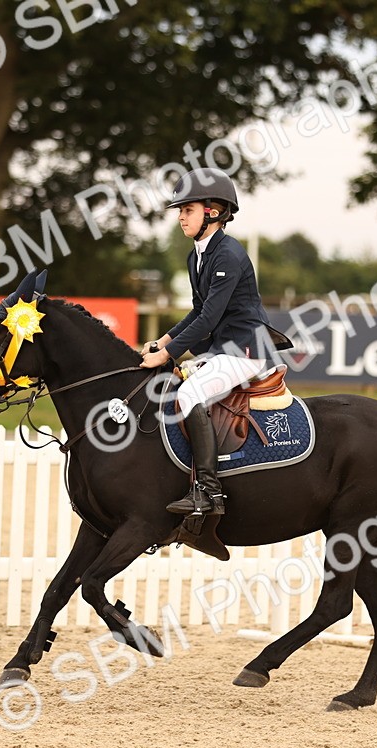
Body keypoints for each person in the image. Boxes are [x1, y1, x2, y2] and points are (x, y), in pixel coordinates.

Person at [140, 168, 287, 533]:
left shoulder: (229, 255)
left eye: (187, 210)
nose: (180, 217)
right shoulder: (196, 257)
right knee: (175, 386)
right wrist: (163, 341)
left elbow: (208, 319)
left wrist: (168, 354)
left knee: (190, 393)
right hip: (223, 349)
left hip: (246, 350)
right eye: (180, 210)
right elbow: (197, 312)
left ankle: (208, 491)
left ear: (214, 212)